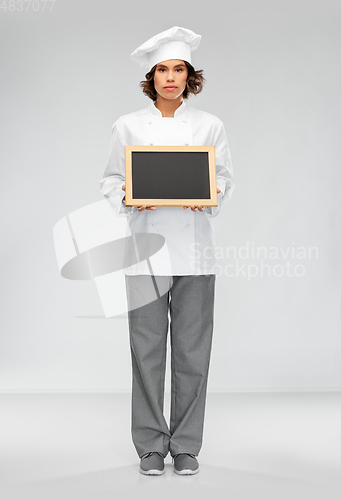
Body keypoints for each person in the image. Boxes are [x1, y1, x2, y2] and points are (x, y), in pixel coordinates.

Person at [99, 26, 235, 476]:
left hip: (196, 253)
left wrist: (209, 192)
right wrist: (134, 196)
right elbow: (110, 182)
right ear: (151, 77)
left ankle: (187, 444)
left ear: (189, 76)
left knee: (194, 351)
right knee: (146, 351)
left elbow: (226, 181)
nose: (171, 77)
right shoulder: (128, 125)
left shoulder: (210, 125)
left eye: (179, 69)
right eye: (162, 70)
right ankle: (151, 445)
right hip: (146, 252)